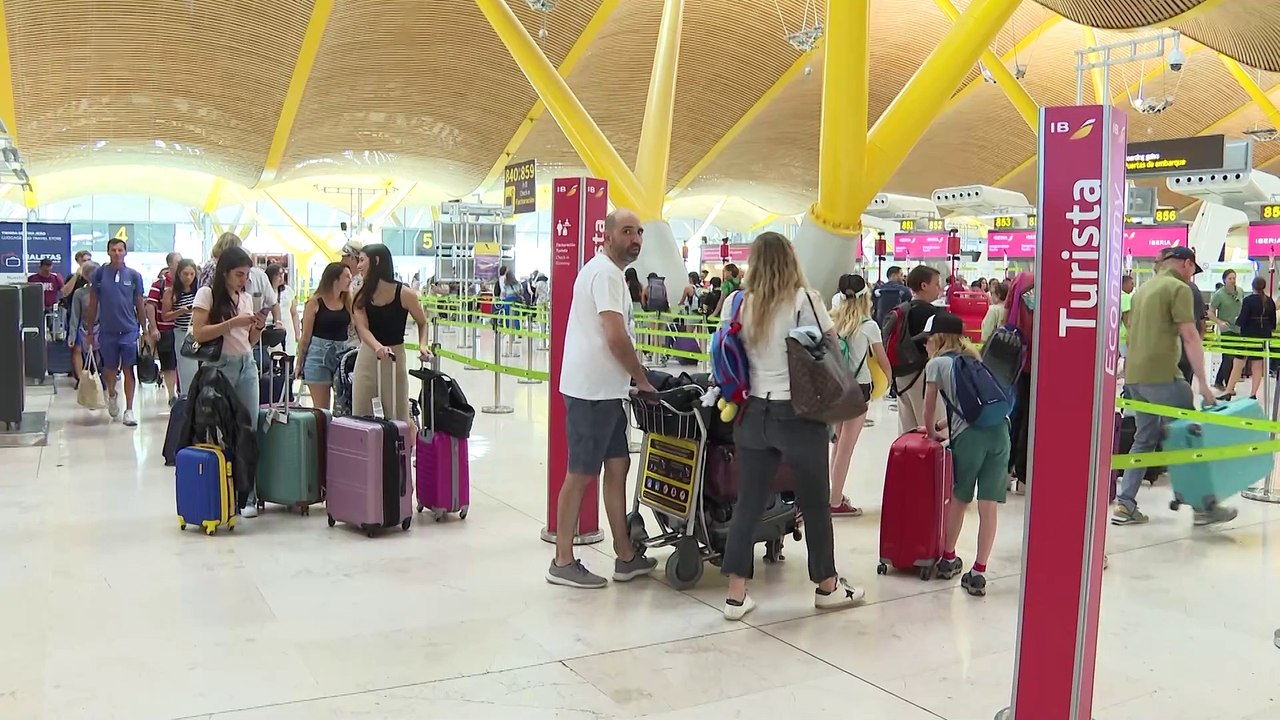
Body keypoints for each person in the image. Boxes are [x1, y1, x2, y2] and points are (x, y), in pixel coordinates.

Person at [718, 231, 864, 620]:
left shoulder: (736, 302)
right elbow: (831, 347)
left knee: (748, 501)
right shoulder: (804, 299)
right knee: (815, 500)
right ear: (790, 260)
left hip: (751, 413)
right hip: (798, 414)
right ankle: (827, 585)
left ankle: (735, 595)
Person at [547, 208, 658, 590]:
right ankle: (562, 559)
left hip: (607, 392)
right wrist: (642, 379)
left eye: (640, 232)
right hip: (592, 391)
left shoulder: (607, 272)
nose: (636, 239)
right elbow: (615, 335)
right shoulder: (607, 274)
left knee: (618, 466)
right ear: (607, 236)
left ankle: (625, 556)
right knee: (580, 474)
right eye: (627, 231)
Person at [1116, 245, 1229, 526]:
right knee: (1189, 436)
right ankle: (1204, 508)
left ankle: (1125, 503)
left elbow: (1129, 336)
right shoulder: (1178, 289)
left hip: (1136, 379)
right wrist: (1203, 384)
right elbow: (1190, 336)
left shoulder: (1141, 291)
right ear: (1185, 264)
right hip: (1164, 376)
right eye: (1192, 268)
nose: (1192, 274)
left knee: (1144, 439)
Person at [917, 312, 1011, 597]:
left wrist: (933, 432)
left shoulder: (937, 364)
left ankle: (948, 559)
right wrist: (949, 423)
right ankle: (979, 572)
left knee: (959, 498)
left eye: (927, 340)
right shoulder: (975, 359)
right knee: (988, 505)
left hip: (969, 440)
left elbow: (928, 405)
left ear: (937, 338)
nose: (925, 346)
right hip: (999, 433)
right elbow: (973, 405)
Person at [192, 246, 267, 514]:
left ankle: (248, 495)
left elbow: (249, 340)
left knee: (249, 428)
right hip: (219, 366)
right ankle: (220, 491)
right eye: (238, 274)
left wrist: (256, 327)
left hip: (247, 364)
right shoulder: (207, 294)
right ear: (224, 272)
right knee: (220, 430)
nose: (243, 280)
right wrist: (233, 322)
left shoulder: (245, 298)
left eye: (246, 275)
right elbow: (198, 333)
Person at [351, 244, 431, 427]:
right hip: (368, 356)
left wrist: (423, 345)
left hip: (395, 357)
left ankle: (397, 451)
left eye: (362, 260)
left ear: (377, 261)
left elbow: (422, 321)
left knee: (396, 411)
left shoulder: (405, 294)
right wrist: (377, 346)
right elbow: (362, 328)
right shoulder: (360, 294)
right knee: (362, 411)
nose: (359, 266)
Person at [829, 275, 890, 517]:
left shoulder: (832, 321)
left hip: (835, 386)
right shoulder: (869, 326)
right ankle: (835, 502)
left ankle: (832, 494)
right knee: (846, 447)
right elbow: (882, 360)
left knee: (837, 443)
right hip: (858, 388)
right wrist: (888, 380)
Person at [83, 238, 146, 427]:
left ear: (125, 252)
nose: (117, 253)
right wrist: (89, 330)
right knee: (109, 369)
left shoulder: (134, 276)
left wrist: (146, 328)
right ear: (108, 252)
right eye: (113, 250)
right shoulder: (100, 275)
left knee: (129, 369)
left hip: (128, 330)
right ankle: (111, 393)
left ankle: (129, 410)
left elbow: (140, 304)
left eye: (120, 250)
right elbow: (93, 303)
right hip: (107, 330)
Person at [892, 265, 943, 435]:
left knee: (907, 428)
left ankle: (906, 459)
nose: (940, 288)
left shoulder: (903, 309)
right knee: (930, 427)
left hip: (901, 374)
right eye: (936, 284)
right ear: (924, 286)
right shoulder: (931, 313)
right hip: (923, 375)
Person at [297, 262, 353, 411]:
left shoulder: (347, 302)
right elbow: (306, 336)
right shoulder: (315, 302)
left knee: (343, 406)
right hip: (317, 355)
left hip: (341, 356)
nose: (350, 280)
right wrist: (299, 363)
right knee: (322, 410)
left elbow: (356, 328)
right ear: (335, 279)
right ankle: (320, 435)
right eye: (347, 276)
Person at [1220, 275, 1277, 402]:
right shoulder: (1269, 301)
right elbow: (1273, 323)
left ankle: (1229, 390)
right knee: (1257, 365)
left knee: (1238, 363)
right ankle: (1253, 394)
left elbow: (1242, 320)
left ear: (1252, 286)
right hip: (1263, 337)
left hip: (1247, 336)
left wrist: (1236, 321)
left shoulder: (1248, 300)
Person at [1005, 271, 1035, 494]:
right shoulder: (1052, 279)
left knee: (1013, 415)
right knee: (1032, 420)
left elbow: (1007, 314)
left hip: (1016, 356)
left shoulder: (1021, 279)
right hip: (1041, 360)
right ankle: (1024, 476)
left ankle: (1004, 474)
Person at [145, 252, 182, 406]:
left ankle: (183, 392)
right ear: (170, 265)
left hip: (182, 328)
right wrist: (153, 328)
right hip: (165, 329)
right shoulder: (159, 284)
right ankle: (172, 394)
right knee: (168, 362)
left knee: (183, 361)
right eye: (178, 263)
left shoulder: (186, 283)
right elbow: (151, 306)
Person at [163, 259, 199, 398]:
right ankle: (186, 398)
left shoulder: (199, 291)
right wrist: (181, 311)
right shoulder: (171, 292)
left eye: (191, 274)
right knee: (186, 369)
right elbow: (165, 316)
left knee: (199, 368)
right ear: (179, 274)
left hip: (198, 332)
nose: (188, 277)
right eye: (185, 274)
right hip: (181, 332)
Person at [1209, 270, 1243, 390]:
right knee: (1228, 357)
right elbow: (1210, 312)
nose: (1233, 280)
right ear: (1224, 280)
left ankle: (1219, 381)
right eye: (1230, 278)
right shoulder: (1219, 295)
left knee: (1235, 358)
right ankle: (1229, 385)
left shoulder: (1240, 291)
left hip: (1239, 329)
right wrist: (1219, 322)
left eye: (1234, 278)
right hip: (1226, 329)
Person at [67, 261, 99, 388]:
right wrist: (72, 335)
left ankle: (97, 376)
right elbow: (75, 315)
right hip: (83, 327)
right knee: (78, 349)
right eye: (89, 273)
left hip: (100, 327)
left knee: (100, 353)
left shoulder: (103, 291)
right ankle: (81, 379)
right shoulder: (79, 293)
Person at [265, 264, 299, 355]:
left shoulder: (288, 291)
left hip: (287, 330)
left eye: (282, 274)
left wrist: (297, 333)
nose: (281, 277)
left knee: (288, 359)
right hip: (270, 331)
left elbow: (294, 313)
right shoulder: (265, 292)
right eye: (278, 275)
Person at [1119, 274, 1135, 360]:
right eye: (1131, 283)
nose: (1133, 286)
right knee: (1126, 360)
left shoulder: (1117, 296)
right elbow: (1127, 318)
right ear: (1124, 284)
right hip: (1124, 336)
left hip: (1118, 335)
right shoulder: (1126, 297)